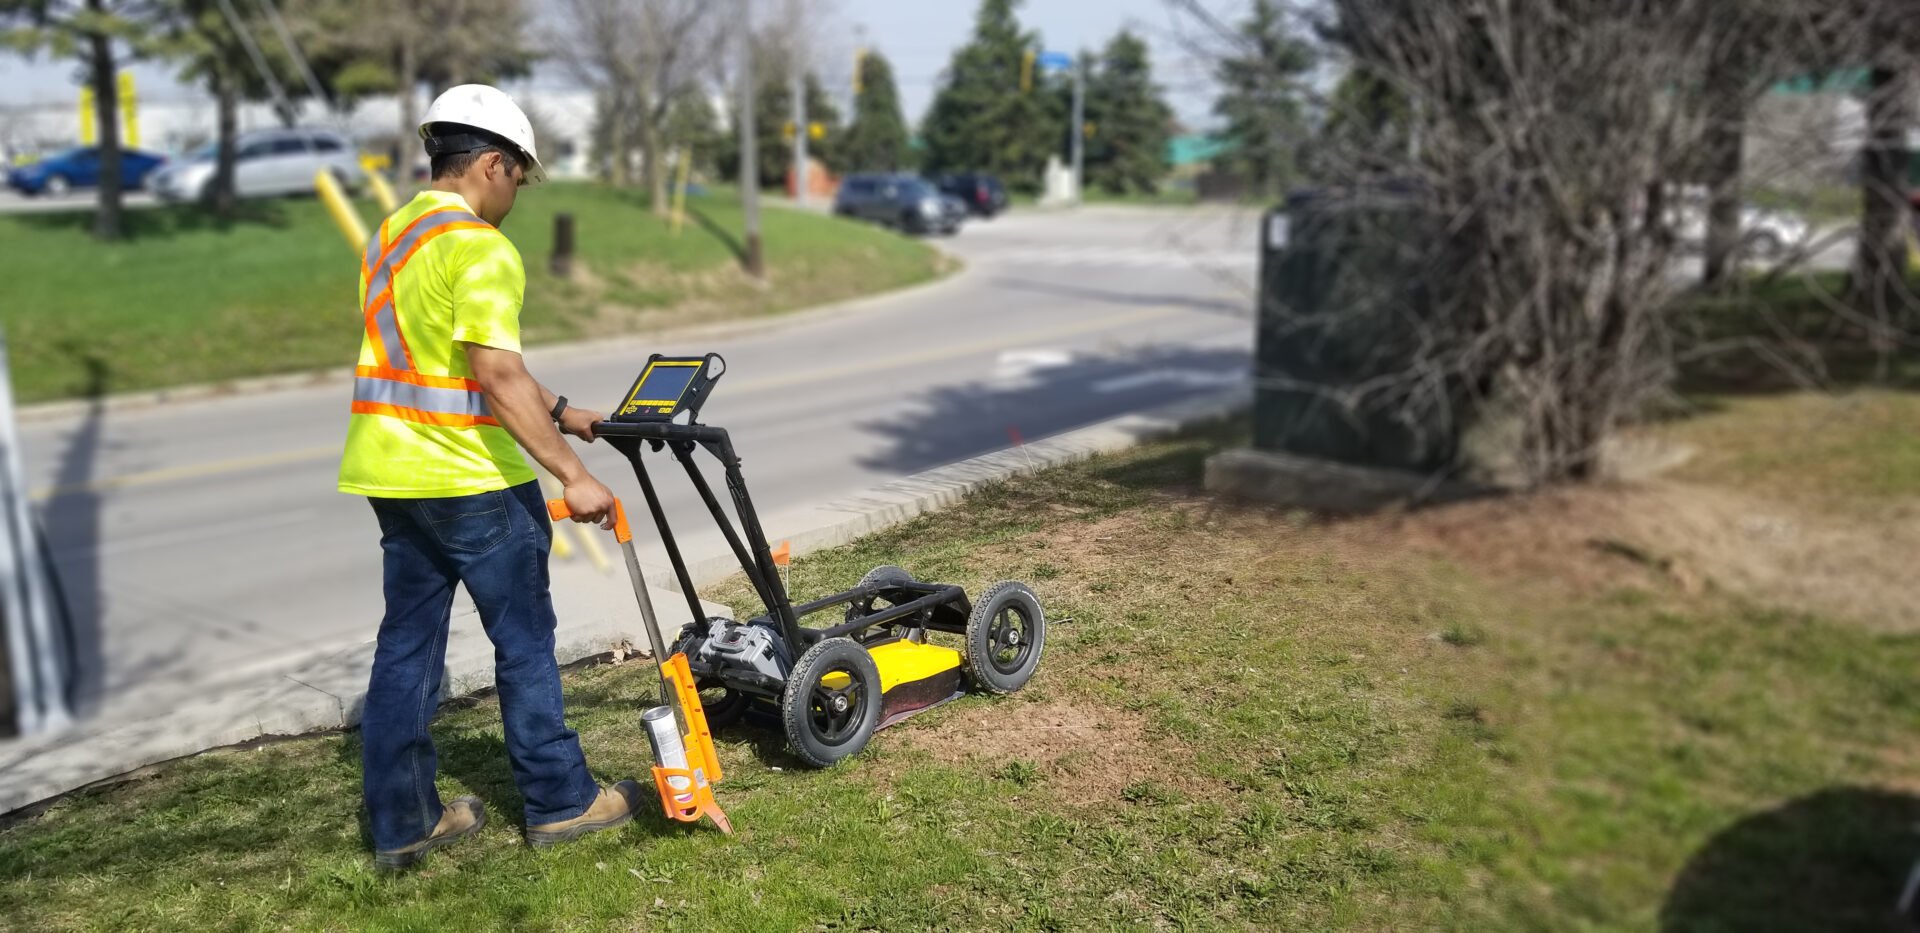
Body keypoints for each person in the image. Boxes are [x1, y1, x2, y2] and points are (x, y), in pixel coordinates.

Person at [337, 84, 642, 870]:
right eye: (520, 178)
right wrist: (574, 475)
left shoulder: (394, 234)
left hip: (395, 475)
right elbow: (494, 373)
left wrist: (566, 409)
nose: (517, 197)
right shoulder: (478, 246)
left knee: (406, 648)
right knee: (526, 644)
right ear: (494, 165)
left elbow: (465, 361)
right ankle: (562, 799)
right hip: (472, 480)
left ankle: (406, 818)